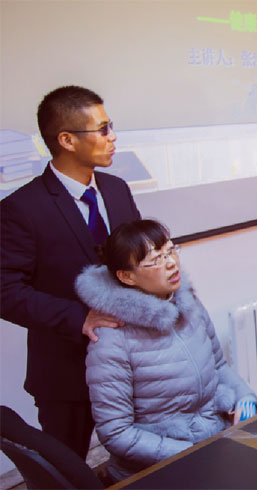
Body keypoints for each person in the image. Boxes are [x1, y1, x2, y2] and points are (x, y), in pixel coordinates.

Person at [0, 86, 141, 459]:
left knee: (140, 462)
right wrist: (81, 318)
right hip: (65, 374)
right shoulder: (21, 208)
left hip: (131, 360)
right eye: (103, 129)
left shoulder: (117, 190)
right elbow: (5, 291)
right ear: (66, 140)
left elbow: (137, 259)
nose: (113, 137)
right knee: (67, 471)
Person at [75, 219, 257, 482]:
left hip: (211, 442)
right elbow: (116, 433)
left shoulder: (189, 303)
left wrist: (244, 397)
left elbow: (218, 366)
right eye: (156, 260)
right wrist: (189, 453)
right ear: (126, 276)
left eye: (171, 251)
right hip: (159, 467)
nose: (171, 263)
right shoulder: (111, 338)